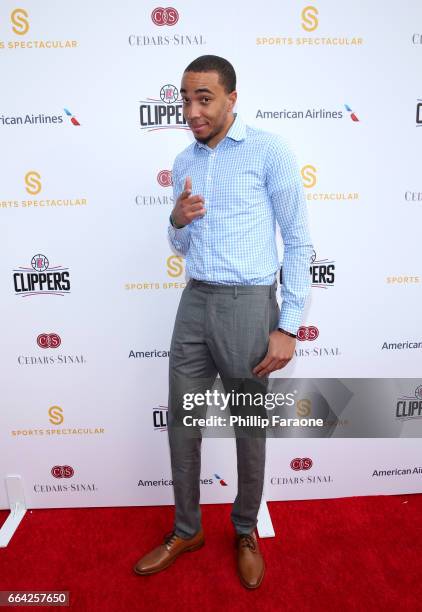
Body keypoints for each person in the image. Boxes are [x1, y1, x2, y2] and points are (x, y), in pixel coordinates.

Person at [134, 55, 312, 589]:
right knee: (183, 421)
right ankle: (186, 528)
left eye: (204, 98)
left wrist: (290, 324)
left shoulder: (268, 151)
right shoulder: (184, 160)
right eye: (185, 99)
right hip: (195, 302)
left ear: (232, 98)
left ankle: (244, 528)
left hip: (249, 305)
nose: (192, 110)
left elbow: (299, 241)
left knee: (249, 428)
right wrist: (175, 221)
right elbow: (180, 243)